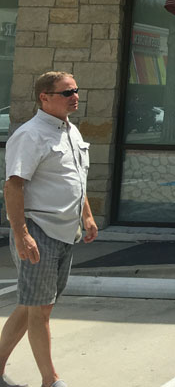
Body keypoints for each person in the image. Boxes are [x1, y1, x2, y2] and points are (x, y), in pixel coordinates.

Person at [0, 72, 98, 387]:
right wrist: (21, 234)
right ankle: (50, 380)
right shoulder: (30, 135)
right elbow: (13, 187)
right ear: (44, 97)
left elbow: (76, 179)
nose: (75, 96)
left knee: (33, 305)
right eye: (67, 92)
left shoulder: (71, 131)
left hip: (66, 232)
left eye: (76, 90)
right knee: (40, 309)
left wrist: (87, 216)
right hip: (38, 230)